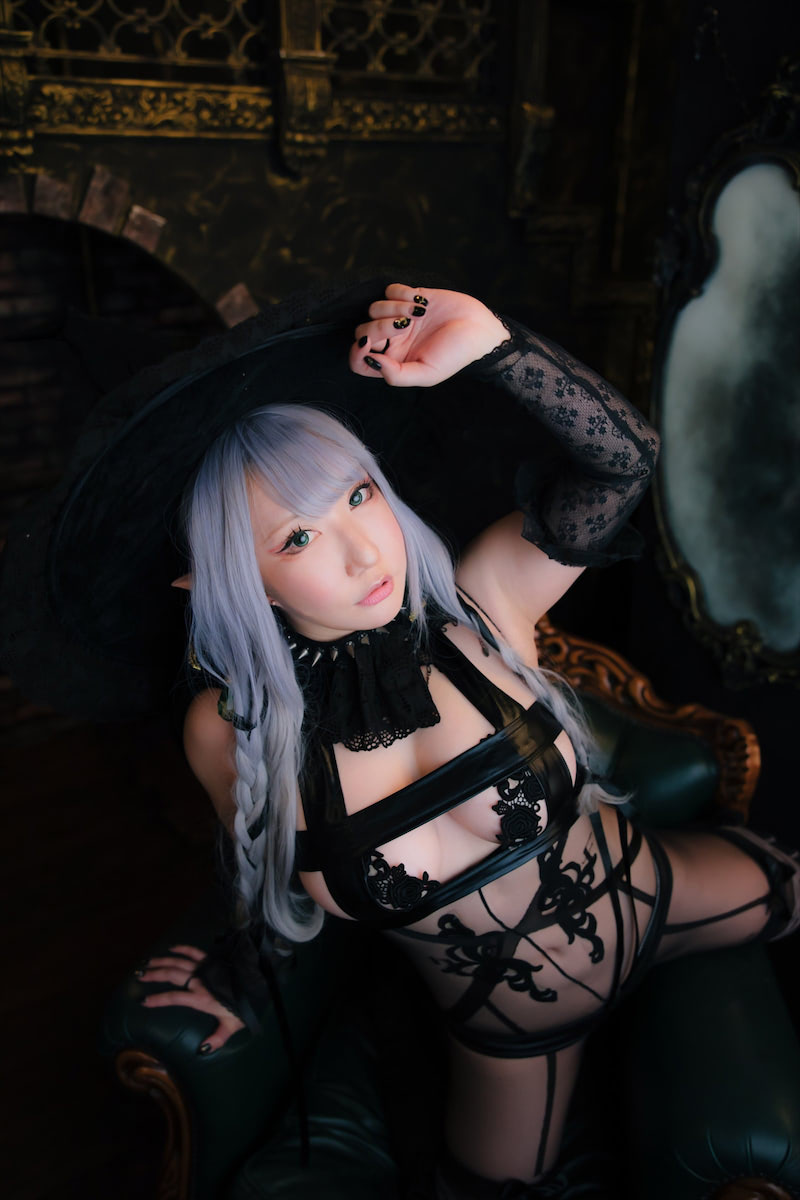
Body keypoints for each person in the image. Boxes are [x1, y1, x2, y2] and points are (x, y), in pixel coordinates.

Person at [2, 281, 797, 1199]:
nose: (366, 553)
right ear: (222, 580)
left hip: (666, 897)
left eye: (359, 493)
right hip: (510, 1034)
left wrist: (498, 347)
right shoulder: (228, 730)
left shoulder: (481, 606)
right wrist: (234, 973)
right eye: (298, 538)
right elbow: (267, 873)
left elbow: (624, 463)